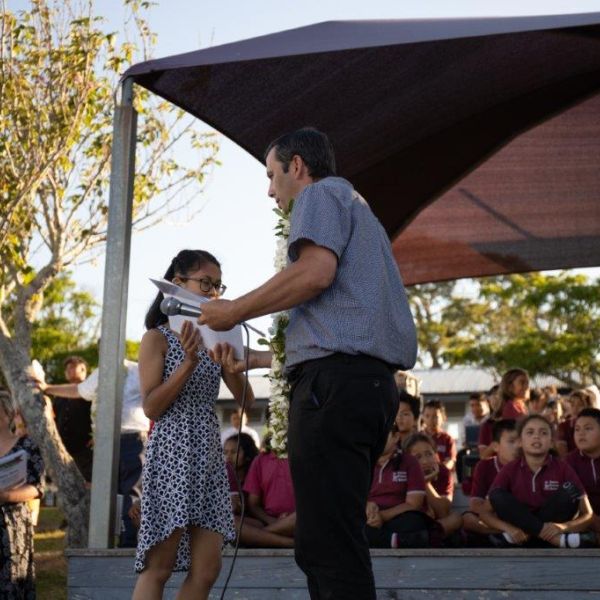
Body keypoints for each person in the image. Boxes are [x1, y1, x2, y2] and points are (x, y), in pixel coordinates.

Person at [201, 128, 417, 599]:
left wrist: (233, 310)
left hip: (334, 388)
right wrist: (258, 358)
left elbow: (315, 273)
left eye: (271, 175)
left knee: (326, 542)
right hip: (363, 385)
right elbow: (339, 327)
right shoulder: (357, 211)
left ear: (297, 166)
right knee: (331, 536)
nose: (269, 190)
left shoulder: (320, 194)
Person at [132, 249, 254, 600]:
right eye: (205, 283)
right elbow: (152, 406)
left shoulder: (218, 336)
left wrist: (232, 365)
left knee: (208, 569)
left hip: (208, 452)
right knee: (161, 566)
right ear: (177, 283)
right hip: (172, 451)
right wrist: (187, 363)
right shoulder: (156, 338)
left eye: (217, 286)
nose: (213, 293)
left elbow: (245, 402)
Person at [34, 350, 148, 547]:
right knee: (106, 493)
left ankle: (132, 545)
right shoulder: (100, 373)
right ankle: (105, 543)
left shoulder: (138, 371)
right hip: (106, 442)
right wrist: (47, 388)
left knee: (133, 493)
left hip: (132, 438)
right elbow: (79, 391)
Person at [480, 414, 595, 548]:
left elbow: (588, 514)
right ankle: (557, 541)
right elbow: (484, 512)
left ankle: (529, 538)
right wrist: (508, 528)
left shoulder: (563, 467)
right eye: (530, 432)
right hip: (523, 529)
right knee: (497, 494)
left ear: (551, 442)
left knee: (569, 490)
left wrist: (563, 527)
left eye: (543, 433)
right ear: (520, 442)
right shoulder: (510, 469)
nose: (536, 436)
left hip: (546, 526)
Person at [0, 390, 45, 599]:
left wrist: (6, 496)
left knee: (11, 583)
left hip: (12, 525)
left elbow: (37, 487)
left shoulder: (27, 445)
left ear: (9, 415)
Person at [365, 424, 429, 548]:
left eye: (382, 435)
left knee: (414, 522)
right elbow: (354, 497)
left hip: (398, 518)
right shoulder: (364, 462)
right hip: (369, 518)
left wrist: (382, 516)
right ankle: (394, 541)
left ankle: (376, 539)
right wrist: (367, 506)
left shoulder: (409, 462)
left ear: (396, 437)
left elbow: (413, 504)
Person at [463, 419, 518, 540]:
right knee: (468, 519)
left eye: (521, 441)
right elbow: (475, 506)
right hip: (494, 520)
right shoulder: (484, 466)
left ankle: (504, 535)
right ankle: (504, 533)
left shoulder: (529, 465)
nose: (518, 446)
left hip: (521, 518)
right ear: (495, 446)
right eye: (511, 441)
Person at [404, 432, 462, 545]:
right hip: (414, 522)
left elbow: (443, 512)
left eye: (429, 454)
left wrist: (425, 483)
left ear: (436, 454)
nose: (425, 461)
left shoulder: (443, 472)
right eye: (418, 457)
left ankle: (428, 538)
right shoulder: (403, 472)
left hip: (436, 524)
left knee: (456, 518)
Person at [49, 356, 94, 483]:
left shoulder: (91, 391)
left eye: (72, 368)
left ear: (83, 370)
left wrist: (97, 436)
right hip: (64, 448)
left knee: (87, 482)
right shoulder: (60, 394)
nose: (69, 371)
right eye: (67, 369)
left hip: (85, 448)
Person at [566, 408, 600, 535]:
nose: (581, 433)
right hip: (582, 523)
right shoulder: (569, 462)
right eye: (577, 429)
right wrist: (593, 522)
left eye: (588, 428)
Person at [557, 389, 595, 457]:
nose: (575, 408)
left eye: (580, 405)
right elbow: (562, 454)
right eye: (572, 404)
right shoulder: (564, 426)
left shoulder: (596, 425)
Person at [421, 400, 457, 471]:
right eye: (427, 416)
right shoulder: (418, 438)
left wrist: (438, 470)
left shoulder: (448, 439)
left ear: (443, 418)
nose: (431, 419)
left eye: (435, 416)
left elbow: (450, 461)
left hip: (442, 476)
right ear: (423, 418)